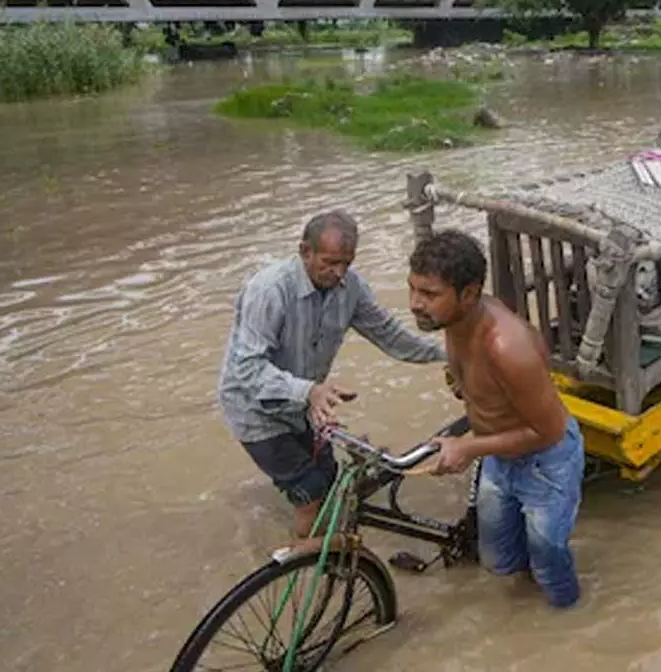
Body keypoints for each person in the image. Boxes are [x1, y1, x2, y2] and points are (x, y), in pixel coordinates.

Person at [217, 211, 447, 540]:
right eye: (330, 262)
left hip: (305, 406)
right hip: (254, 408)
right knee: (311, 493)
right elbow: (247, 370)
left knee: (329, 479)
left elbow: (389, 335)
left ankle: (321, 549)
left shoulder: (350, 287)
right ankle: (309, 569)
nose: (338, 273)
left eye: (346, 264)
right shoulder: (269, 291)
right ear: (305, 251)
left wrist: (446, 355)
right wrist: (310, 391)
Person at [408, 230, 585, 609]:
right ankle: (522, 608)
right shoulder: (455, 319)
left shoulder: (506, 345)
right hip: (499, 455)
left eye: (429, 294)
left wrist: (468, 447)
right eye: (413, 290)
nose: (415, 304)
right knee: (500, 558)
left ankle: (567, 619)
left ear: (469, 293)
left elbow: (546, 431)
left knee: (549, 560)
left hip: (545, 461)